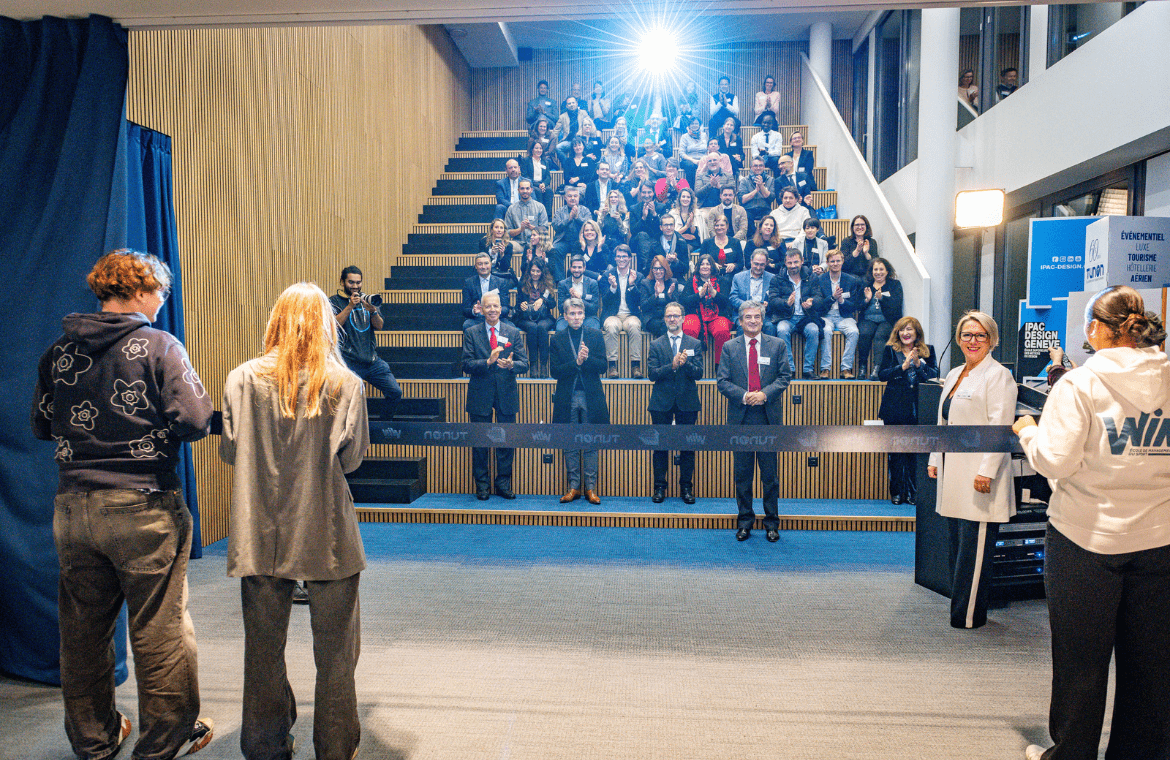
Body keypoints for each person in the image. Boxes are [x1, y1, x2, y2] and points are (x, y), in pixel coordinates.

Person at [32, 249, 214, 760]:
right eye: (160, 291)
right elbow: (195, 420)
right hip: (143, 506)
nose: (162, 301)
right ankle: (163, 742)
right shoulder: (159, 346)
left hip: (72, 508)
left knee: (83, 632)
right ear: (137, 289)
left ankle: (95, 740)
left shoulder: (58, 352)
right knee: (160, 628)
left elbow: (42, 423)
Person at [1012, 286, 1170, 760]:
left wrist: (1027, 431)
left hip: (1085, 540)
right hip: (1160, 538)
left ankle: (1073, 755)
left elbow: (1055, 462)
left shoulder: (1079, 385)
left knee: (1082, 661)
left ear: (1099, 329)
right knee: (1151, 663)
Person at [220, 282, 367, 760]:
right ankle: (335, 749)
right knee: (336, 656)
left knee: (262, 654)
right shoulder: (345, 383)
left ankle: (265, 747)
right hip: (326, 528)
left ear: (276, 319)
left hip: (259, 528)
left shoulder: (241, 379)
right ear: (327, 323)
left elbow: (229, 450)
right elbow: (352, 461)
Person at [927, 310, 1017, 629]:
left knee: (974, 550)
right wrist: (935, 459)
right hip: (954, 473)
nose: (972, 341)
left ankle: (969, 615)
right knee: (959, 548)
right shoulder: (954, 374)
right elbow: (944, 423)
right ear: (959, 339)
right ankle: (961, 609)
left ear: (991, 340)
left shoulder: (999, 376)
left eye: (980, 335)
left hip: (980, 476)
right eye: (967, 335)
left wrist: (987, 471)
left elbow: (1000, 427)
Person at [717, 300, 792, 542]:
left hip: (768, 417)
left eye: (757, 317)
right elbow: (722, 381)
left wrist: (764, 394)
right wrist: (744, 396)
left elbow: (784, 377)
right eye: (748, 317)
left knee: (770, 476)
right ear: (740, 321)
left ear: (762, 320)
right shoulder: (729, 347)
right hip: (741, 417)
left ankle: (772, 523)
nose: (752, 321)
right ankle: (745, 522)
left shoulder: (778, 344)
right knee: (743, 474)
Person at [462, 291, 528, 500]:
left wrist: (511, 365)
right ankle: (482, 485)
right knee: (480, 441)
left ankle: (503, 483)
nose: (492, 310)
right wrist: (487, 362)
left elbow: (524, 364)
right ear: (481, 309)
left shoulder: (513, 331)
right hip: (480, 393)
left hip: (506, 393)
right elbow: (466, 365)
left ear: (501, 309)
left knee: (506, 440)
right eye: (488, 306)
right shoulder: (471, 332)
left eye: (496, 306)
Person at [551, 297, 609, 505]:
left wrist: (587, 360)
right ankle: (573, 487)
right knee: (570, 443)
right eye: (572, 314)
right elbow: (555, 371)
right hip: (567, 396)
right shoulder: (557, 338)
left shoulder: (594, 335)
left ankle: (590, 489)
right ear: (565, 316)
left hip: (590, 396)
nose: (576, 317)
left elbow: (603, 366)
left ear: (584, 315)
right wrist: (576, 362)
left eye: (579, 313)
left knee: (591, 442)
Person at [647, 301, 704, 504]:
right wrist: (670, 366)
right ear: (664, 319)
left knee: (687, 447)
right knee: (660, 447)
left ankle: (686, 488)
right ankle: (659, 488)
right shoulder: (656, 344)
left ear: (682, 318)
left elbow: (699, 373)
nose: (672, 319)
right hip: (661, 403)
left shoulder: (694, 344)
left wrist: (685, 364)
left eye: (676, 316)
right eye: (669, 316)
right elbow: (652, 374)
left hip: (687, 403)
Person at [877, 316, 937, 503]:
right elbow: (882, 375)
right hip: (894, 408)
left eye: (909, 329)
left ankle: (913, 493)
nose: (905, 333)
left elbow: (934, 376)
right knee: (895, 452)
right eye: (902, 330)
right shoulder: (890, 351)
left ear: (917, 332)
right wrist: (902, 367)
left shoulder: (928, 351)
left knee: (914, 453)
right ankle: (896, 493)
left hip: (918, 408)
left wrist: (918, 365)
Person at [331, 265, 403, 412]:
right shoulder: (334, 301)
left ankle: (384, 426)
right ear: (342, 282)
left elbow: (380, 326)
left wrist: (373, 311)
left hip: (371, 361)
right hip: (348, 363)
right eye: (351, 282)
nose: (355, 286)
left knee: (395, 392)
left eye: (358, 282)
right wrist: (350, 305)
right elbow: (334, 326)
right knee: (346, 401)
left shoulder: (368, 300)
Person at [768, 247, 823, 379]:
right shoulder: (777, 278)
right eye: (790, 263)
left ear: (802, 261)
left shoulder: (812, 277)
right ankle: (789, 369)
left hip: (806, 317)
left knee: (814, 330)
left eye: (796, 262)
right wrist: (786, 303)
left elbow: (819, 297)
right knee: (781, 329)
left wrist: (812, 302)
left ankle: (808, 369)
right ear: (785, 263)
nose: (793, 266)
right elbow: (773, 301)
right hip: (786, 317)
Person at [815, 249, 862, 379]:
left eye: (838, 261)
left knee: (854, 332)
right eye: (832, 261)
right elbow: (818, 304)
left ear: (842, 262)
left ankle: (846, 368)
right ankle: (825, 368)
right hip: (826, 315)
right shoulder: (820, 279)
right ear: (827, 263)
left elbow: (853, 305)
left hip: (844, 316)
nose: (835, 263)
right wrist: (832, 298)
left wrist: (841, 300)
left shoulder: (851, 280)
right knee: (825, 331)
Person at [600, 244, 644, 378]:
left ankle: (635, 366)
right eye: (618, 256)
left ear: (630, 258)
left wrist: (631, 285)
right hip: (612, 314)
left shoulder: (638, 276)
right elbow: (605, 302)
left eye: (624, 256)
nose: (621, 259)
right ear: (615, 258)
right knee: (612, 327)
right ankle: (612, 366)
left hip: (631, 314)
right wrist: (613, 287)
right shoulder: (607, 276)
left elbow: (639, 301)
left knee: (635, 326)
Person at [682, 254, 734, 367]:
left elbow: (726, 303)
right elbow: (683, 302)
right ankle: (690, 364)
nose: (705, 266)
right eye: (702, 264)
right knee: (689, 328)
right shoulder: (691, 281)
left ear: (712, 267)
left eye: (708, 264)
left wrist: (714, 293)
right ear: (698, 267)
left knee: (722, 330)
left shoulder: (722, 280)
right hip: (695, 314)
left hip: (716, 315)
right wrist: (699, 295)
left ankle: (720, 366)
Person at [856, 257, 903, 378]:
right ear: (872, 271)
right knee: (865, 334)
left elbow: (896, 305)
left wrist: (882, 298)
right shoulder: (866, 285)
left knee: (880, 336)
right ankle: (862, 367)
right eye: (875, 269)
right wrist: (866, 299)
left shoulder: (894, 285)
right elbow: (858, 305)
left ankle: (877, 369)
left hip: (887, 320)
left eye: (881, 269)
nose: (878, 272)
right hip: (868, 319)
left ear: (887, 271)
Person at [514, 258, 557, 378]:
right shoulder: (522, 283)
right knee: (532, 327)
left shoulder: (548, 284)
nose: (535, 274)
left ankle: (543, 365)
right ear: (529, 271)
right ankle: (533, 364)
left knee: (542, 328)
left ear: (542, 272)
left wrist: (543, 300)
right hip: (526, 318)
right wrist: (522, 305)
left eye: (538, 271)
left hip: (544, 317)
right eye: (533, 271)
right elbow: (517, 306)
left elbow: (553, 304)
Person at [729, 249, 778, 336]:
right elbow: (733, 298)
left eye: (762, 265)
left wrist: (768, 305)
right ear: (751, 261)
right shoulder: (738, 277)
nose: (758, 267)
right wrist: (748, 306)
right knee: (743, 326)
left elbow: (776, 299)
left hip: (764, 316)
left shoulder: (772, 278)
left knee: (770, 326)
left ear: (766, 263)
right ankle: (743, 350)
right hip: (744, 314)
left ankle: (769, 350)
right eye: (756, 264)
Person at [461, 253, 514, 330]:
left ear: (491, 265)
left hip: (497, 318)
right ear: (476, 266)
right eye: (480, 264)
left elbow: (506, 308)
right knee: (467, 325)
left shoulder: (501, 282)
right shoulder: (469, 283)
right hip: (478, 319)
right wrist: (474, 311)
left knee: (510, 327)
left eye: (486, 263)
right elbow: (465, 309)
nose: (483, 267)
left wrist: (494, 311)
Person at [639, 254, 684, 338]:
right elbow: (644, 307)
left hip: (668, 316)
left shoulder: (672, 282)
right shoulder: (645, 283)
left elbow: (677, 306)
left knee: (668, 324)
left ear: (665, 268)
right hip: (651, 318)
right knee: (664, 326)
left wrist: (669, 295)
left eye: (661, 268)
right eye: (655, 268)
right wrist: (655, 295)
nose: (658, 271)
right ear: (652, 270)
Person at [556, 255, 601, 331]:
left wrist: (580, 299)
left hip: (588, 317)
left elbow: (594, 309)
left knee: (593, 330)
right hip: (568, 317)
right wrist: (571, 299)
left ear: (584, 268)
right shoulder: (563, 284)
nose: (576, 270)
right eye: (574, 267)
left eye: (579, 267)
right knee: (561, 329)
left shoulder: (592, 283)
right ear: (570, 268)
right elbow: (560, 308)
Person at [550, 185, 593, 261]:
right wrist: (569, 219)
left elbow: (590, 226)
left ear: (579, 197)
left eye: (575, 196)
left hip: (581, 241)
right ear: (565, 198)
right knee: (554, 250)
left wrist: (577, 218)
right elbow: (555, 226)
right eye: (570, 196)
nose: (573, 198)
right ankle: (560, 273)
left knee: (581, 255)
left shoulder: (585, 210)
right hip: (563, 241)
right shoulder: (560, 211)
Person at [645, 214, 690, 281]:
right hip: (657, 279)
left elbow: (685, 269)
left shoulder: (682, 242)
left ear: (674, 226)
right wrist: (663, 261)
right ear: (661, 227)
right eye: (666, 225)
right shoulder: (654, 243)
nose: (669, 228)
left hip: (676, 279)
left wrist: (676, 261)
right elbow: (648, 267)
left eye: (671, 225)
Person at [738, 157, 775, 237]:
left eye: (760, 165)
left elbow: (771, 198)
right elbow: (742, 200)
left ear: (764, 167)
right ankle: (753, 240)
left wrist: (761, 186)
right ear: (751, 167)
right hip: (748, 209)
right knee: (745, 217)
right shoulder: (744, 180)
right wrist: (756, 190)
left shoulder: (770, 180)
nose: (758, 168)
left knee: (770, 219)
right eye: (755, 166)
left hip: (764, 209)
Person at [553, 99, 595, 168]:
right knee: (558, 147)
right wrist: (551, 141)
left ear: (577, 104)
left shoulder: (583, 113)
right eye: (569, 103)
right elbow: (556, 131)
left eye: (573, 103)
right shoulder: (562, 116)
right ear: (566, 106)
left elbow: (590, 123)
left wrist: (579, 133)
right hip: (569, 141)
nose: (571, 105)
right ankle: (567, 165)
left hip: (582, 140)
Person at [700, 213, 745, 278]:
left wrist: (734, 265)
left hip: (731, 277)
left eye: (722, 225)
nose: (719, 227)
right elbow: (700, 262)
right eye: (717, 225)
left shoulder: (735, 242)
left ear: (727, 226)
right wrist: (711, 265)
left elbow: (741, 263)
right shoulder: (706, 243)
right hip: (711, 276)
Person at [629, 182, 668, 255]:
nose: (646, 195)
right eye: (644, 192)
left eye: (649, 192)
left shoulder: (661, 207)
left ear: (653, 193)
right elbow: (633, 231)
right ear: (640, 193)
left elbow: (662, 230)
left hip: (655, 241)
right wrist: (643, 218)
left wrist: (654, 214)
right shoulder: (634, 208)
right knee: (642, 235)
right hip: (637, 243)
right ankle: (646, 265)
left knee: (654, 243)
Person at [518, 139, 554, 211]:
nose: (539, 150)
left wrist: (543, 184)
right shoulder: (526, 160)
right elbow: (525, 176)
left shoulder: (545, 162)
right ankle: (538, 213)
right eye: (536, 148)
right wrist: (538, 185)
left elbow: (548, 176)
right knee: (537, 191)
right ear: (532, 150)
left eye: (540, 148)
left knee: (549, 190)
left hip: (542, 184)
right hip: (531, 184)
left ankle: (548, 216)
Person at [678, 116, 707, 188]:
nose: (694, 125)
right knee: (691, 166)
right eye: (692, 123)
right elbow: (681, 153)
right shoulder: (684, 136)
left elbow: (707, 149)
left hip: (702, 159)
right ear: (689, 125)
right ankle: (691, 190)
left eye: (696, 123)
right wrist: (693, 160)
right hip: (689, 160)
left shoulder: (704, 135)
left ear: (699, 125)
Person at [707, 75, 740, 139]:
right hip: (718, 119)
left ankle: (733, 142)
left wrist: (726, 105)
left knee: (738, 122)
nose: (724, 86)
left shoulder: (734, 97)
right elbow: (712, 113)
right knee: (711, 122)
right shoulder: (714, 97)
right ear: (719, 85)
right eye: (722, 84)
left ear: (729, 85)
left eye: (725, 84)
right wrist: (720, 103)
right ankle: (712, 142)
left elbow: (736, 112)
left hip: (730, 118)